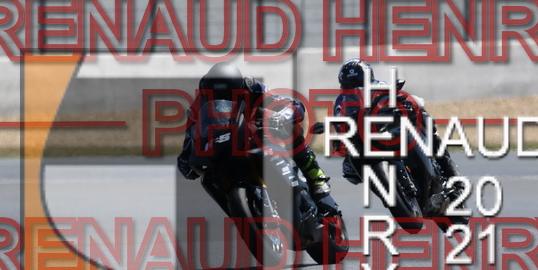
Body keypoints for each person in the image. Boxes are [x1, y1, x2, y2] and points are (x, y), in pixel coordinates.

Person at [177, 62, 331, 202]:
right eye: (215, 96)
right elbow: (191, 132)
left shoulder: (253, 87)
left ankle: (316, 176)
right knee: (208, 175)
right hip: (222, 145)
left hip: (255, 134)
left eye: (229, 96)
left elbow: (292, 105)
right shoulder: (201, 100)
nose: (222, 102)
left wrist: (281, 117)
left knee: (292, 128)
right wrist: (185, 157)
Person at [334, 58, 463, 197]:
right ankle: (386, 194)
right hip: (367, 137)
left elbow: (405, 97)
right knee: (350, 168)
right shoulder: (341, 103)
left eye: (359, 84)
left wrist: (406, 104)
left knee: (422, 111)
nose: (356, 90)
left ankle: (451, 172)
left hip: (391, 126)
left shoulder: (381, 86)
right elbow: (340, 125)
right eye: (349, 86)